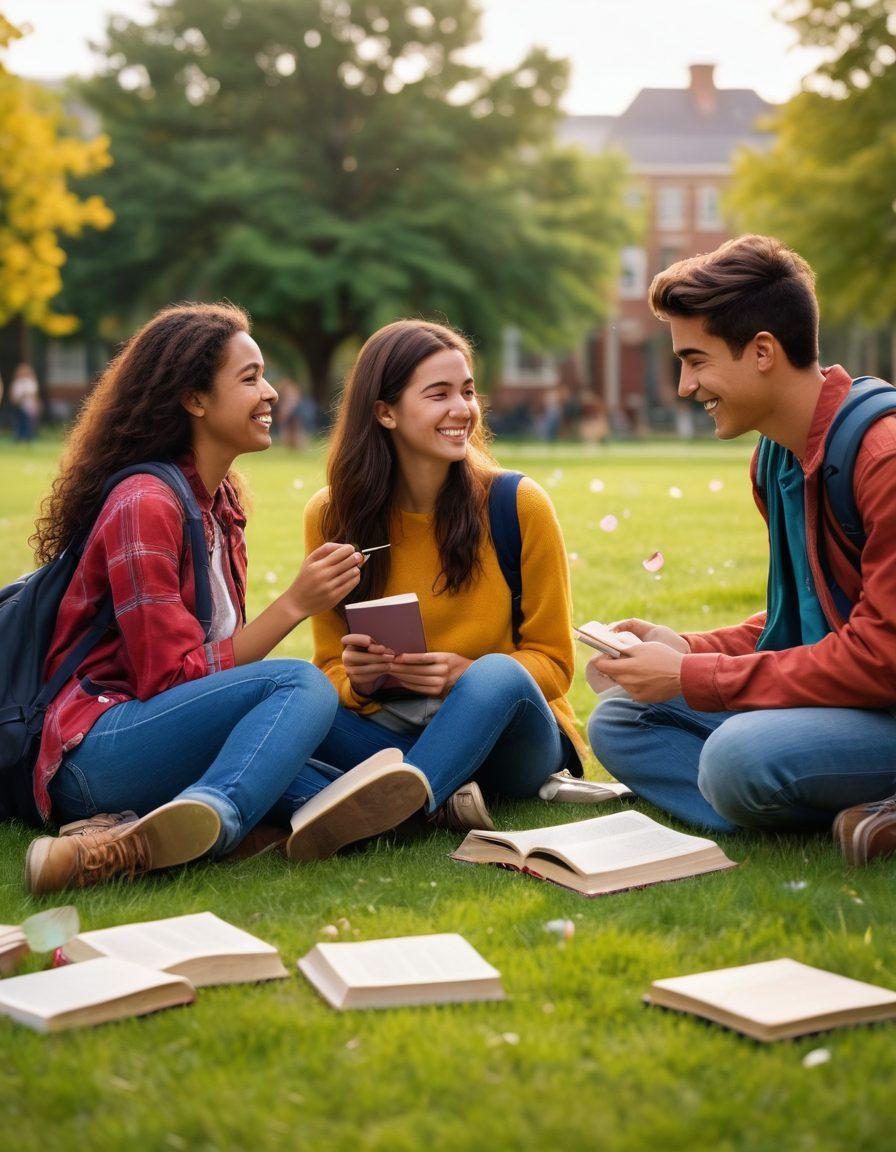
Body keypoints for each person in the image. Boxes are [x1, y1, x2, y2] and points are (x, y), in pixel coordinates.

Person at [24, 302, 427, 895]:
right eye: (249, 378)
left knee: (367, 799)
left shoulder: (219, 507)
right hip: (96, 750)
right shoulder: (146, 504)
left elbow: (210, 676)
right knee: (301, 686)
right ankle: (197, 826)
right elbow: (168, 682)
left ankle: (141, 836)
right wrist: (295, 604)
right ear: (194, 399)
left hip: (163, 736)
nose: (269, 392)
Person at [587, 235, 896, 864]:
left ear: (762, 352)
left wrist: (694, 677)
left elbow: (881, 656)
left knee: (737, 758)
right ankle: (850, 814)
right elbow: (808, 618)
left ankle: (820, 804)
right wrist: (690, 650)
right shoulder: (776, 459)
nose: (682, 386)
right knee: (621, 720)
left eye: (695, 361)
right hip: (860, 703)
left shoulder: (881, 458)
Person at [300, 318, 587, 847]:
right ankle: (434, 796)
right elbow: (328, 666)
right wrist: (358, 682)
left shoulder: (517, 505)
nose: (463, 409)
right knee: (287, 697)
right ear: (385, 411)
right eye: (439, 394)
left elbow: (556, 664)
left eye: (468, 391)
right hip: (392, 729)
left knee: (496, 677)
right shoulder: (332, 517)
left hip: (511, 743)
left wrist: (465, 676)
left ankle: (395, 809)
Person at [10, 362, 41, 442]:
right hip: (20, 407)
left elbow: (34, 396)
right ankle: (19, 437)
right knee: (20, 423)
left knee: (29, 423)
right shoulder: (17, 383)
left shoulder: (31, 382)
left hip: (29, 407)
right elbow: (13, 397)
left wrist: (36, 405)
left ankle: (27, 438)